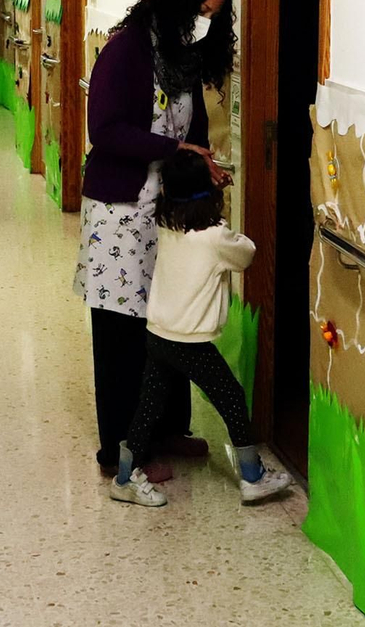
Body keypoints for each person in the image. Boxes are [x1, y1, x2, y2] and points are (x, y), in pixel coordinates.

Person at [74, 0, 235, 482]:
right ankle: (119, 449)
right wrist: (173, 148)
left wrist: (203, 165)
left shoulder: (182, 59)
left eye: (213, 16)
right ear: (177, 3)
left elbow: (194, 130)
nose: (204, 23)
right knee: (121, 333)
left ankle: (165, 430)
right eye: (200, 11)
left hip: (164, 213)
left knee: (168, 323)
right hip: (119, 215)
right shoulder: (126, 50)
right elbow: (105, 130)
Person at [109, 149, 292, 507]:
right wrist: (221, 205)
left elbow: (185, 205)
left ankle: (125, 478)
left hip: (159, 332)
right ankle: (253, 477)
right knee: (232, 398)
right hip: (189, 342)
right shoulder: (214, 236)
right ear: (206, 192)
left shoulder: (166, 223)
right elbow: (247, 254)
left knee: (149, 406)